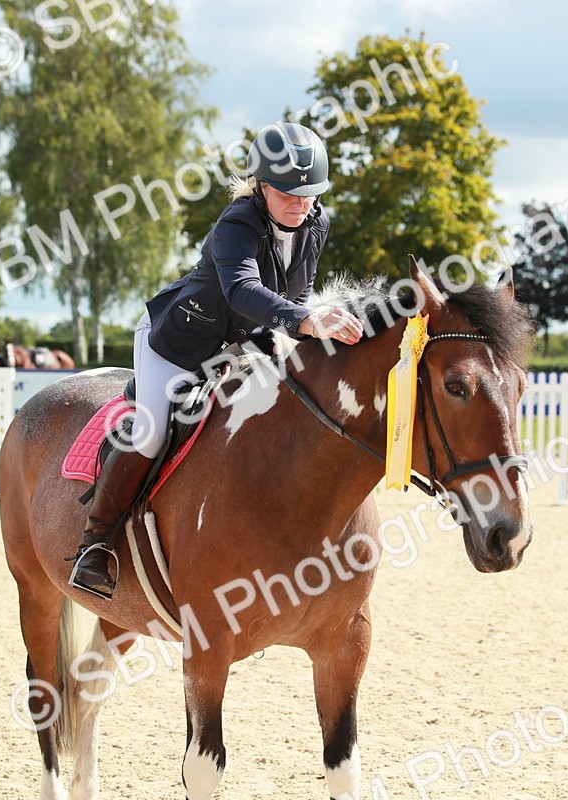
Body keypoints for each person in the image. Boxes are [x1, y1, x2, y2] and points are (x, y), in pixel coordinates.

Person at [70, 121, 364, 598]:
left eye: (310, 193)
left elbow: (297, 292)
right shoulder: (237, 223)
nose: (300, 203)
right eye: (287, 192)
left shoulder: (315, 221)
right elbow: (242, 290)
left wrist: (301, 333)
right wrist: (308, 320)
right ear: (261, 185)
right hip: (179, 344)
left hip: (247, 343)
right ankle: (95, 543)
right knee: (151, 432)